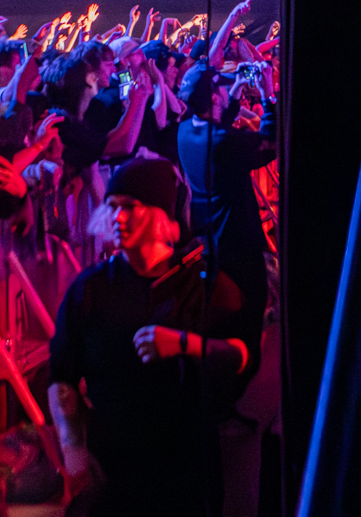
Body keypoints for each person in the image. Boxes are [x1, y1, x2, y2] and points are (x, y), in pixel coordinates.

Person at [48, 157, 255, 517]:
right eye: (112, 207)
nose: (118, 217)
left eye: (131, 207)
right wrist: (74, 450)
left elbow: (242, 356)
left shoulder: (201, 283)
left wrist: (182, 345)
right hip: (112, 464)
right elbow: (61, 376)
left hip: (184, 465)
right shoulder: (91, 288)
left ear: (161, 215)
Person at [177, 60, 276, 333]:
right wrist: (269, 95)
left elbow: (216, 121)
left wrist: (234, 93)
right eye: (223, 86)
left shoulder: (185, 130)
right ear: (211, 96)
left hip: (209, 236)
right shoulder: (224, 141)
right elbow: (271, 143)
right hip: (238, 238)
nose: (229, 89)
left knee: (223, 304)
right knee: (248, 305)